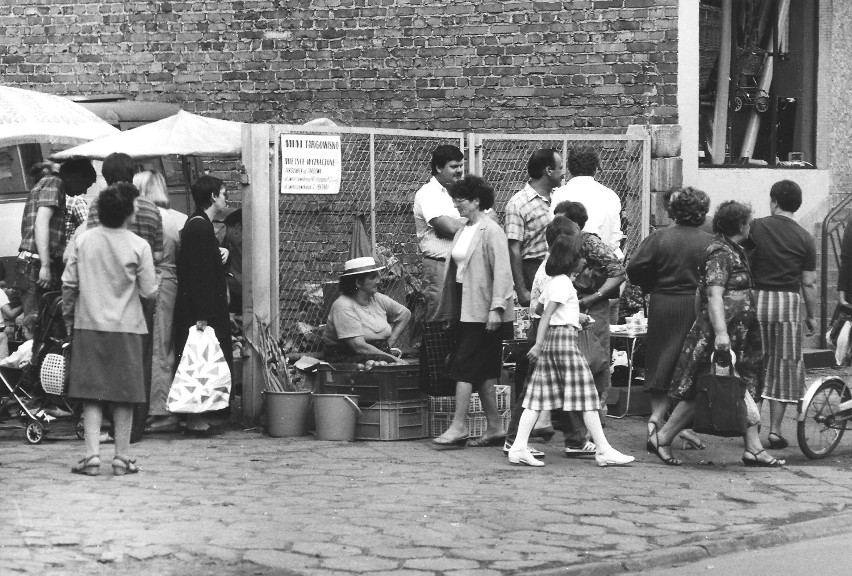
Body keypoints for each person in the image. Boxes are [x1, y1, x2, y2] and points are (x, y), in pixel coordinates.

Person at [649, 201, 784, 467]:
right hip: (723, 335)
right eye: (748, 221)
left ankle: (753, 448)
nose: (750, 225)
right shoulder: (720, 252)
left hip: (738, 334)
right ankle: (662, 437)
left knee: (734, 385)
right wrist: (720, 332)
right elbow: (713, 293)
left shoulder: (733, 250)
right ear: (741, 225)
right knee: (707, 386)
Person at [509, 229, 634, 467]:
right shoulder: (564, 284)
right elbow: (546, 314)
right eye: (580, 257)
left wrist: (573, 316)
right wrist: (538, 344)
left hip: (554, 342)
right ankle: (603, 449)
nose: (585, 260)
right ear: (570, 260)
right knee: (586, 395)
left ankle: (518, 447)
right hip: (564, 343)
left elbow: (539, 309)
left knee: (536, 399)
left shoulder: (556, 283)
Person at [62, 183, 158, 476]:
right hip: (128, 328)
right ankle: (122, 458)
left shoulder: (83, 241)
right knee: (124, 395)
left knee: (91, 393)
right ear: (128, 212)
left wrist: (69, 316)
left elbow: (68, 284)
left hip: (88, 325)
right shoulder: (139, 246)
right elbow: (150, 291)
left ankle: (91, 457)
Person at [626, 187, 714, 450]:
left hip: (663, 303)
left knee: (661, 360)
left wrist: (651, 283)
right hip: (696, 305)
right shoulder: (709, 241)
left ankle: (655, 418)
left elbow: (633, 268)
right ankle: (681, 426)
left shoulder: (659, 237)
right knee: (690, 365)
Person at [432, 175, 514, 447]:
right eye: (455, 199)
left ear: (477, 201)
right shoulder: (462, 229)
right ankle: (494, 427)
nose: (457, 205)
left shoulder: (492, 230)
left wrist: (497, 308)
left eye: (462, 200)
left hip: (484, 311)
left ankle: (458, 427)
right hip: (464, 308)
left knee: (463, 366)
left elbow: (503, 272)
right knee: (483, 370)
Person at [747, 180, 817, 450]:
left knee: (755, 361)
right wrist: (811, 316)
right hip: (788, 302)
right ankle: (775, 431)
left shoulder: (757, 226)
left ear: (774, 201)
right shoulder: (805, 238)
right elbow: (808, 282)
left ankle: (753, 425)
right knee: (784, 364)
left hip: (758, 298)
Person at [174, 175, 233, 436]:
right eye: (223, 194)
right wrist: (203, 314)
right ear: (212, 197)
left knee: (202, 361)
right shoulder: (199, 226)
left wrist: (223, 255)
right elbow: (198, 273)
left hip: (203, 307)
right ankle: (195, 418)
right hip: (201, 309)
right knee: (198, 362)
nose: (225, 199)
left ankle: (202, 415)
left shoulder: (199, 224)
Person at [134, 170, 188, 434]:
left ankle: (159, 410)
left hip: (157, 281)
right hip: (170, 281)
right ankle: (160, 407)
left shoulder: (152, 218)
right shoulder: (171, 217)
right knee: (163, 344)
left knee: (156, 346)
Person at [17, 157, 96, 315]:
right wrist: (45, 266)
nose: (84, 191)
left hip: (32, 262)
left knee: (42, 324)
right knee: (36, 325)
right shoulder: (55, 183)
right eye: (86, 185)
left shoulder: (48, 183)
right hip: (36, 263)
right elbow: (41, 222)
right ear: (76, 176)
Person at [323, 257, 412, 363]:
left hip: (373, 354)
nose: (379, 281)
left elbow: (405, 314)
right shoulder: (343, 306)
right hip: (346, 357)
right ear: (358, 283)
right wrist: (393, 359)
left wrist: (389, 344)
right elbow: (359, 346)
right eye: (373, 277)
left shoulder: (377, 298)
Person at [413, 144, 465, 321]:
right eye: (453, 166)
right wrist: (473, 223)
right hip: (440, 265)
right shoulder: (428, 194)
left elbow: (491, 218)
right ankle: (433, 350)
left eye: (460, 166)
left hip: (464, 263)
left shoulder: (463, 190)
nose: (459, 171)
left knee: (464, 317)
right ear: (438, 167)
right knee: (440, 318)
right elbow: (448, 228)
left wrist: (461, 225)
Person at [505, 148, 562, 307]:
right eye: (560, 168)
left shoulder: (560, 197)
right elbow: (513, 249)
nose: (563, 173)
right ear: (549, 171)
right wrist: (522, 290)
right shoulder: (518, 204)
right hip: (533, 270)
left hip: (561, 269)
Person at [551, 146, 624, 258]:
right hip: (602, 263)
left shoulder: (559, 195)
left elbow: (553, 232)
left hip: (568, 263)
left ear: (569, 168)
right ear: (596, 168)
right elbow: (614, 239)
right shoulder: (611, 196)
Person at [221, 208, 243, 315]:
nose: (226, 232)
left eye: (227, 228)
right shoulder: (226, 248)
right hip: (233, 299)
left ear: (237, 228)